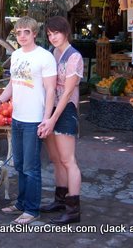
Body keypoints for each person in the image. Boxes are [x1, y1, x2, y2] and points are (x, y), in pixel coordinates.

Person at [0, 16, 57, 225]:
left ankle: (32, 209)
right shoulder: (17, 55)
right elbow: (13, 83)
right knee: (19, 164)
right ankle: (21, 203)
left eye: (26, 32)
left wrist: (47, 119)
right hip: (17, 118)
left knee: (31, 167)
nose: (21, 36)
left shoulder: (45, 57)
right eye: (18, 32)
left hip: (34, 120)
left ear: (34, 33)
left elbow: (51, 90)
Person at [37, 16, 83, 224]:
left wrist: (52, 119)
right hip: (50, 110)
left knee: (68, 160)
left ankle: (73, 210)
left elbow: (66, 93)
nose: (53, 37)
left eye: (56, 32)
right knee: (55, 160)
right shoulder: (53, 53)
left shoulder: (75, 57)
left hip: (65, 112)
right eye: (49, 34)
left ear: (65, 32)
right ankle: (60, 200)